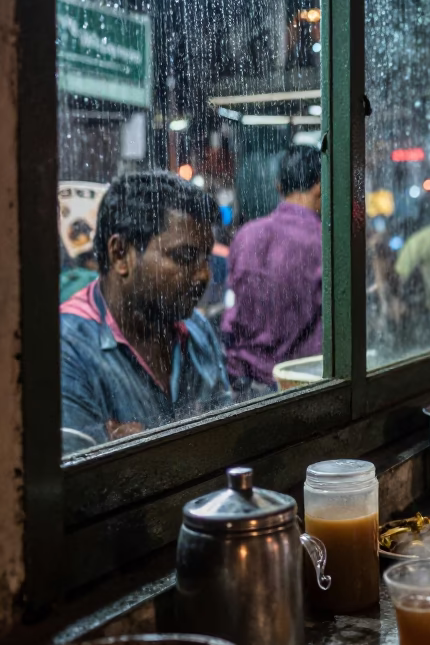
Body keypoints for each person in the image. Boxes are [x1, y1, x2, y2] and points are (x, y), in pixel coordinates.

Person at [60, 171, 232, 453]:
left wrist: (148, 447)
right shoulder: (68, 348)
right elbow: (83, 487)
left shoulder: (197, 330)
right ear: (120, 254)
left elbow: (226, 442)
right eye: (185, 257)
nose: (203, 274)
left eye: (205, 258)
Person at [222, 144, 323, 393]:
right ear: (321, 186)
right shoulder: (324, 242)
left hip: (244, 385)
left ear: (279, 186)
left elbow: (233, 315)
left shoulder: (246, 235)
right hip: (301, 386)